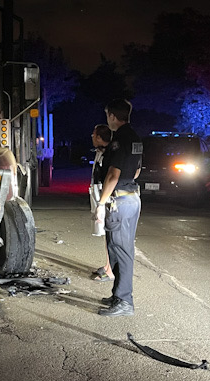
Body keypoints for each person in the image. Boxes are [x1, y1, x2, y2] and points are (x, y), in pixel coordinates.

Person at [95, 98, 142, 317]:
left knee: (121, 251)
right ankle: (118, 295)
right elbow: (137, 171)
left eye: (108, 116)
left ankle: (124, 301)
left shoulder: (119, 140)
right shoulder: (135, 138)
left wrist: (101, 203)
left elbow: (113, 174)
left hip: (119, 201)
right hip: (131, 197)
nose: (108, 119)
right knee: (117, 249)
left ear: (113, 116)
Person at [89, 124, 114, 282]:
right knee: (106, 233)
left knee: (110, 234)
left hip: (105, 197)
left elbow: (109, 178)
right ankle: (107, 265)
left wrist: (101, 203)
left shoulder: (109, 155)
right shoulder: (101, 152)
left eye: (94, 134)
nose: (92, 136)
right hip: (99, 195)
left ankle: (110, 270)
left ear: (99, 137)